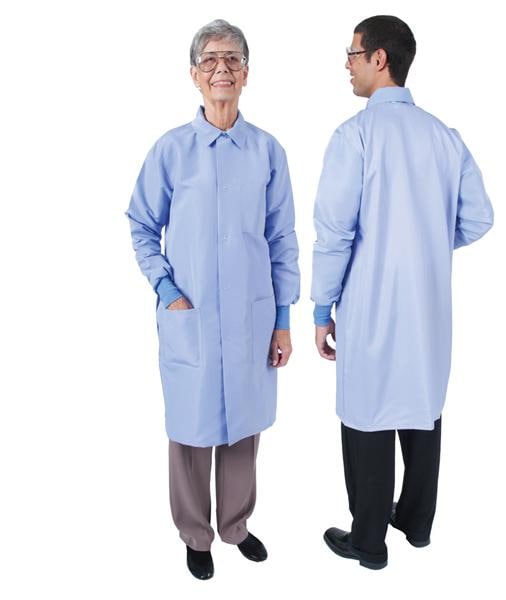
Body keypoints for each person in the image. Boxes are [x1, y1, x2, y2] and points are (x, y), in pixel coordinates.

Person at [311, 15, 494, 570]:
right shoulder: (444, 137)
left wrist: (321, 308)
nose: (346, 64)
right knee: (421, 407)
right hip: (429, 306)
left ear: (379, 59)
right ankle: (416, 523)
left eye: (352, 53)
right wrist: (426, 242)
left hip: (370, 303)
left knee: (366, 415)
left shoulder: (355, 136)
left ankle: (368, 541)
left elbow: (334, 234)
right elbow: (479, 218)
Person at [125, 19, 300, 580]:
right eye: (210, 60)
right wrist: (167, 289)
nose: (221, 68)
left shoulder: (267, 152)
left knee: (243, 429)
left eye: (232, 59)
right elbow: (142, 223)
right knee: (191, 431)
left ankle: (236, 527)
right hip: (191, 316)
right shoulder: (172, 151)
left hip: (252, 316)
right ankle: (195, 535)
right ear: (194, 74)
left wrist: (282, 318)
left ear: (247, 73)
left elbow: (281, 238)